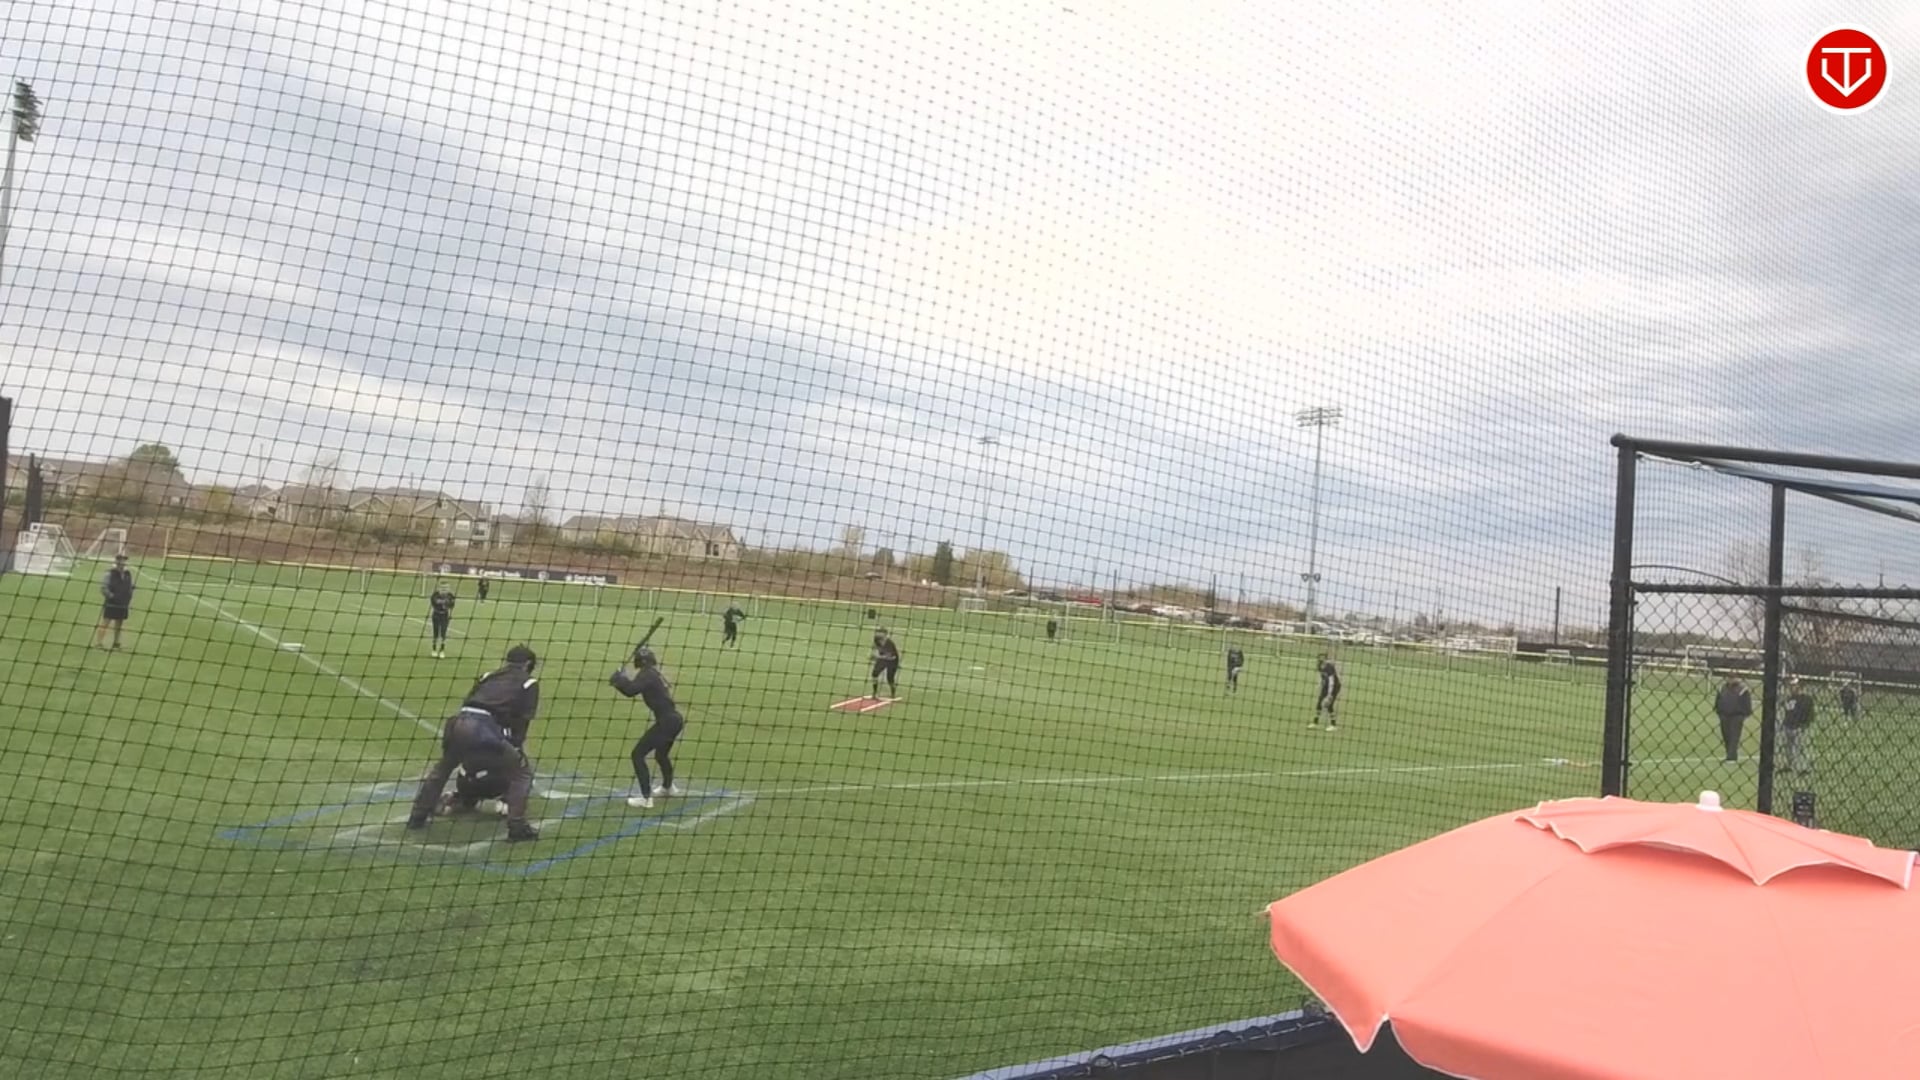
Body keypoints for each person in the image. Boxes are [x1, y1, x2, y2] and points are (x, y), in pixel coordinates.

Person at [406, 645, 543, 841]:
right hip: (482, 726)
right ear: (528, 663)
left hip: (458, 722)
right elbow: (522, 720)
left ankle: (417, 816)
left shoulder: (488, 676)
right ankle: (517, 826)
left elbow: (469, 702)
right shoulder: (529, 682)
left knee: (442, 769)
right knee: (521, 772)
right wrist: (515, 746)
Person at [612, 646, 685, 809]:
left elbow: (631, 690)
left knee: (637, 755)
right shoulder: (653, 673)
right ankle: (668, 788)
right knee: (661, 755)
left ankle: (646, 798)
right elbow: (631, 688)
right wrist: (620, 681)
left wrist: (619, 679)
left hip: (666, 722)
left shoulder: (646, 674)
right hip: (674, 721)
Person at [94, 553, 136, 650]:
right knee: (106, 622)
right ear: (117, 561)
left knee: (119, 623)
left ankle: (116, 643)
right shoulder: (109, 573)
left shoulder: (127, 574)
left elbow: (129, 587)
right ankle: (99, 643)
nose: (123, 562)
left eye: (124, 560)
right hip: (112, 603)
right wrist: (112, 596)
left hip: (123, 603)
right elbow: (104, 588)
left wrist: (129, 598)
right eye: (121, 560)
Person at [1779, 676, 1814, 775]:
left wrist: (1805, 725)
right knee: (1788, 748)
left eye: (1793, 686)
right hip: (1788, 726)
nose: (1791, 688)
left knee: (1800, 748)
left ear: (1799, 686)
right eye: (1791, 686)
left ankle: (1803, 768)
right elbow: (1787, 711)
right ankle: (1789, 765)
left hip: (1800, 726)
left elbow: (1810, 714)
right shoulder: (1790, 698)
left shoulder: (1806, 699)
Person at [1714, 676, 1752, 762]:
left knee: (1734, 736)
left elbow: (1747, 702)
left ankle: (1731, 756)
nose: (1730, 679)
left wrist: (1745, 714)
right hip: (1724, 715)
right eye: (1729, 677)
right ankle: (1730, 754)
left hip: (1737, 716)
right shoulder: (1722, 688)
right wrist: (1718, 711)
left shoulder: (1743, 690)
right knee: (1726, 735)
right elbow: (1718, 700)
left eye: (1733, 677)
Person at [1311, 653, 1342, 731]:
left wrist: (1329, 694)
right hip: (1326, 686)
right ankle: (1315, 723)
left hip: (1334, 687)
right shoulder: (1319, 666)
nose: (1321, 660)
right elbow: (1323, 677)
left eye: (1323, 658)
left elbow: (1332, 681)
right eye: (1319, 658)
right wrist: (1320, 685)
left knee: (1329, 705)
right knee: (1319, 703)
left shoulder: (1329, 667)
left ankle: (1333, 725)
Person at [428, 580, 456, 658]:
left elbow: (452, 605)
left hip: (445, 615)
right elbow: (434, 603)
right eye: (443, 588)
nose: (444, 589)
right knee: (436, 633)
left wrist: (447, 605)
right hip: (436, 615)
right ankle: (434, 649)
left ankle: (442, 650)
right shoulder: (435, 595)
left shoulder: (450, 596)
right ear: (439, 588)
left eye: (446, 588)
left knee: (443, 633)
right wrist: (443, 603)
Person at [871, 629, 902, 699]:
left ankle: (893, 693)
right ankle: (874, 692)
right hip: (882, 659)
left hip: (892, 661)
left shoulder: (889, 643)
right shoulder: (876, 640)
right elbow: (875, 649)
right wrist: (873, 655)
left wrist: (877, 657)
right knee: (874, 674)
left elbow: (890, 656)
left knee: (890, 678)